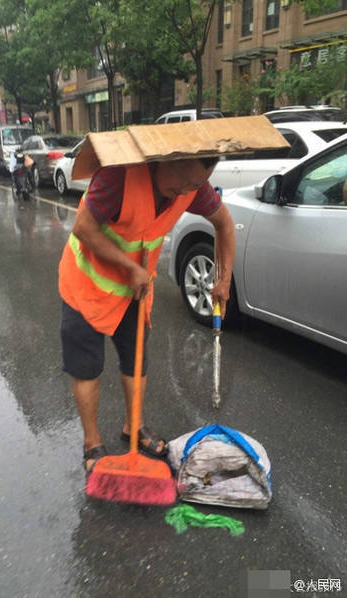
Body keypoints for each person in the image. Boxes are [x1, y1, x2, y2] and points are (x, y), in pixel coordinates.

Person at [58, 158, 236, 474]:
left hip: (133, 291)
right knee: (87, 369)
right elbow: (83, 228)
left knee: (136, 363)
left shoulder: (193, 186)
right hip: (86, 285)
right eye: (182, 179)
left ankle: (134, 427)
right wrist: (130, 268)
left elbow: (223, 223)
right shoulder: (118, 178)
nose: (184, 190)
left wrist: (223, 278)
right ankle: (92, 442)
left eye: (194, 185)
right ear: (165, 160)